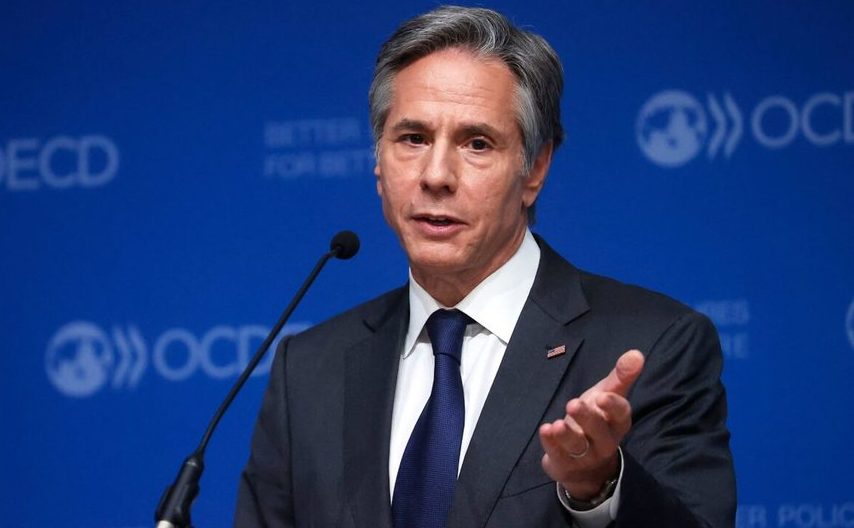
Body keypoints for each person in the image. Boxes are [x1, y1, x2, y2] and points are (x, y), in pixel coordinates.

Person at [235, 6, 735, 528]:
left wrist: (600, 487)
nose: (436, 175)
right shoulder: (308, 370)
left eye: (477, 143)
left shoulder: (655, 345)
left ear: (534, 169)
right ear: (378, 163)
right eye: (413, 139)